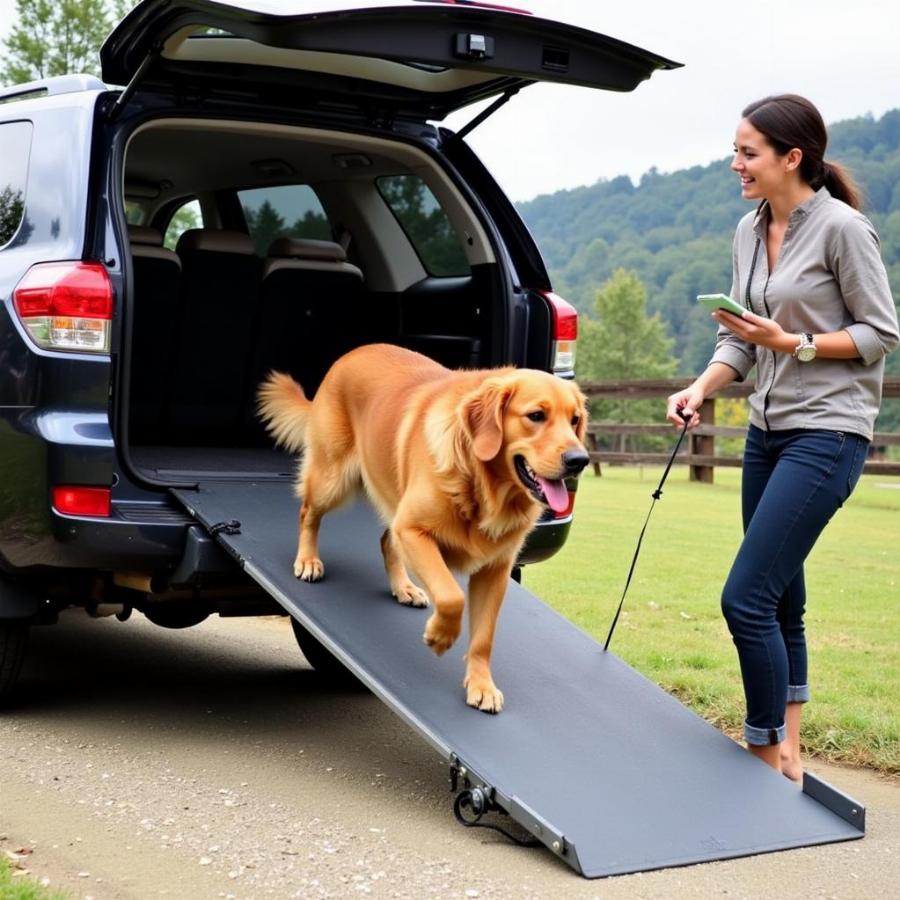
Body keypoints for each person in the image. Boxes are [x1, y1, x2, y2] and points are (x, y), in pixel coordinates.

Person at [666, 94, 899, 780]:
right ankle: (789, 756)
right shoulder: (747, 230)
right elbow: (736, 339)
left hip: (827, 434)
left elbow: (881, 334)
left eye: (747, 152)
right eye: (734, 150)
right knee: (781, 598)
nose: (734, 163)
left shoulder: (844, 230)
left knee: (744, 598)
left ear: (791, 158)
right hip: (764, 433)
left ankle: (762, 754)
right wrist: (699, 389)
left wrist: (794, 343)